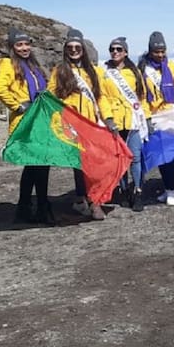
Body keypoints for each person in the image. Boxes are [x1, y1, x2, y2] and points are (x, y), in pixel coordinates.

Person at [48, 28, 114, 220]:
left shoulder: (92, 71)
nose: (74, 50)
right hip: (72, 125)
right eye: (70, 47)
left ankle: (94, 199)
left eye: (77, 47)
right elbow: (52, 96)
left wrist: (109, 118)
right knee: (80, 164)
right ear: (65, 49)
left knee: (95, 162)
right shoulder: (59, 71)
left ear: (83, 49)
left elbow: (100, 97)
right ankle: (85, 200)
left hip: (92, 124)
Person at [0, 27, 53, 225]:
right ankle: (39, 208)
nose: (24, 48)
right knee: (38, 165)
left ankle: (26, 207)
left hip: (40, 121)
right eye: (19, 44)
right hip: (26, 122)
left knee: (36, 166)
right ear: (12, 47)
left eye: (27, 44)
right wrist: (17, 106)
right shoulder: (9, 65)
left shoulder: (32, 65)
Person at [138, 31, 174, 206]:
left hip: (171, 115)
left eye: (162, 51)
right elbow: (142, 96)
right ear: (150, 51)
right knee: (161, 155)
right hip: (155, 117)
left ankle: (172, 191)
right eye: (156, 51)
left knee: (170, 154)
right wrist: (147, 117)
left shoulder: (172, 67)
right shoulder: (143, 69)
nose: (160, 55)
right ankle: (167, 189)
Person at [102, 36, 151, 211]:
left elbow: (142, 96)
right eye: (112, 49)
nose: (115, 52)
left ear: (126, 52)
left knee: (135, 157)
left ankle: (138, 191)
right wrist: (108, 118)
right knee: (120, 158)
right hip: (114, 121)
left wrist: (147, 117)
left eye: (119, 49)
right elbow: (102, 97)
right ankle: (123, 190)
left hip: (133, 120)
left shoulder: (134, 72)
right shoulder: (104, 72)